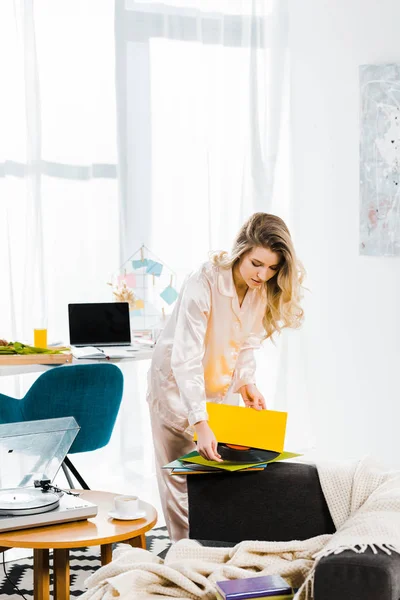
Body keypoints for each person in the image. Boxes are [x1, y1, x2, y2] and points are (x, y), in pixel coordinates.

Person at [147, 212, 305, 542]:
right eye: (257, 264)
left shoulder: (258, 289)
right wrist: (200, 422)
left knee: (216, 478)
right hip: (176, 391)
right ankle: (184, 560)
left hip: (219, 392)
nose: (264, 274)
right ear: (240, 252)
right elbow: (186, 357)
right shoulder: (202, 282)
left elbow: (246, 341)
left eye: (273, 267)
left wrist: (247, 382)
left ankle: (213, 554)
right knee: (181, 483)